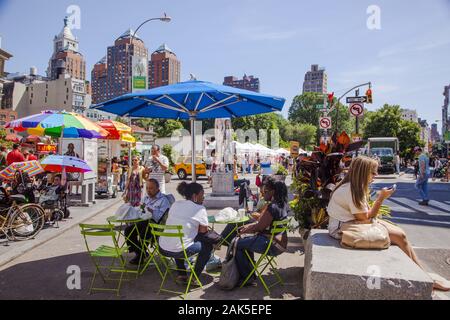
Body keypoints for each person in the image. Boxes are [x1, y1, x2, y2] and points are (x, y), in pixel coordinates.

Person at [327, 156, 449, 292]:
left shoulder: (353, 186)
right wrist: (380, 198)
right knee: (400, 236)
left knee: (400, 234)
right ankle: (426, 278)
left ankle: (423, 275)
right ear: (363, 172)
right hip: (343, 228)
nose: (376, 175)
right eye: (373, 172)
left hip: (349, 223)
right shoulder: (351, 189)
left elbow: (364, 216)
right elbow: (364, 218)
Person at [234, 179, 289, 287]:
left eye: (266, 191)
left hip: (272, 245)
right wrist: (249, 227)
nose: (263, 193)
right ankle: (249, 272)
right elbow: (262, 223)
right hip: (280, 244)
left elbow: (259, 227)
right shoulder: (282, 204)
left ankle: (247, 277)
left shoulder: (273, 207)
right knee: (245, 242)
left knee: (237, 243)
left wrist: (244, 229)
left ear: (273, 192)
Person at [158, 182, 213, 285]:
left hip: (163, 247)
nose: (204, 197)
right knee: (207, 246)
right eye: (202, 194)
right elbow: (203, 233)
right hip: (179, 250)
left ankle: (182, 274)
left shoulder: (175, 204)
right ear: (194, 196)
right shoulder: (200, 209)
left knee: (179, 239)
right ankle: (194, 277)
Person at [125, 178, 171, 265]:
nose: (148, 191)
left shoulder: (163, 200)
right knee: (128, 231)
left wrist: (152, 211)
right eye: (147, 188)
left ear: (158, 189)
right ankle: (141, 253)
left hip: (156, 226)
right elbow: (141, 211)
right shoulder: (146, 198)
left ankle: (140, 256)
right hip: (143, 222)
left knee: (144, 233)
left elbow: (162, 219)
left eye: (151, 188)